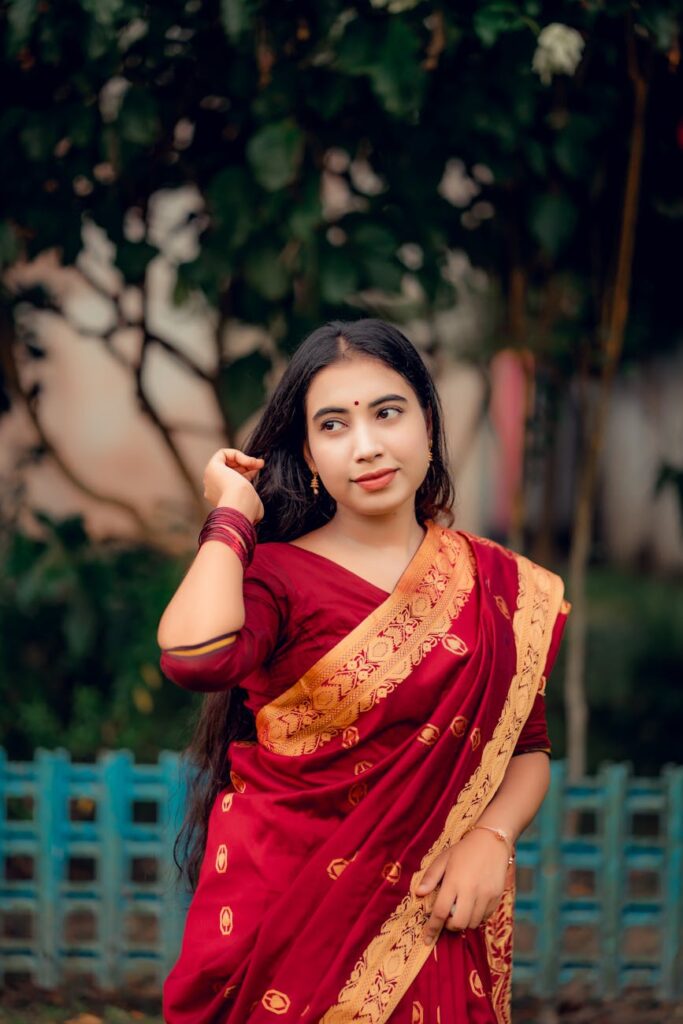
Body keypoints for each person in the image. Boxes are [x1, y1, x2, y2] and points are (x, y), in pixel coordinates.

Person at [157, 318, 571, 1024]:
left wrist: (490, 837)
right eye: (333, 425)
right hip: (284, 922)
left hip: (435, 913)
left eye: (387, 413)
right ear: (310, 456)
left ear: (427, 427)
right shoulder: (276, 577)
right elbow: (195, 657)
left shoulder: (498, 585)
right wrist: (232, 516)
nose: (368, 445)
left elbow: (526, 745)